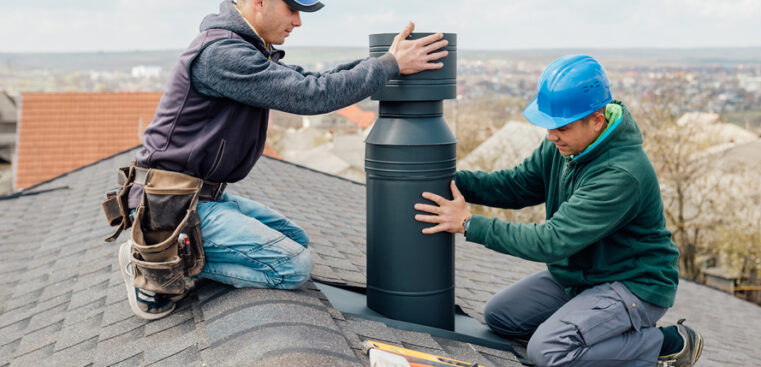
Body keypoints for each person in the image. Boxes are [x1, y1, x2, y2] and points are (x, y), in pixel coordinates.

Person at [116, 0, 449, 320]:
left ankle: (176, 253)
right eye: (292, 9)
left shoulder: (245, 47)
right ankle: (154, 260)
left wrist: (386, 60)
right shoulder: (221, 54)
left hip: (199, 197)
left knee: (296, 241)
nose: (298, 21)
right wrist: (390, 65)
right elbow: (310, 95)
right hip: (170, 204)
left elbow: (312, 80)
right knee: (292, 266)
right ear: (259, 2)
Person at [414, 55, 703, 366]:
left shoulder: (621, 174)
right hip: (582, 277)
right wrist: (453, 182)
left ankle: (664, 344)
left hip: (633, 285)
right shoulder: (566, 146)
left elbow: (551, 241)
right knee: (501, 317)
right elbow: (518, 185)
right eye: (548, 125)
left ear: (596, 119)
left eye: (561, 127)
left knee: (548, 351)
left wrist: (469, 224)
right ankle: (592, 328)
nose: (551, 136)